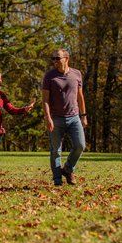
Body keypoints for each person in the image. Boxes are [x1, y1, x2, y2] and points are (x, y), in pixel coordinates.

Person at [42, 49, 87, 186]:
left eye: (57, 58)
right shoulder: (49, 76)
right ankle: (57, 180)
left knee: (80, 145)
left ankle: (68, 169)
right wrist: (48, 118)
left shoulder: (76, 74)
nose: (55, 61)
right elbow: (45, 100)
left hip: (74, 117)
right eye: (53, 58)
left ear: (66, 58)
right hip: (56, 118)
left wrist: (83, 116)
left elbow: (80, 97)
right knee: (56, 150)